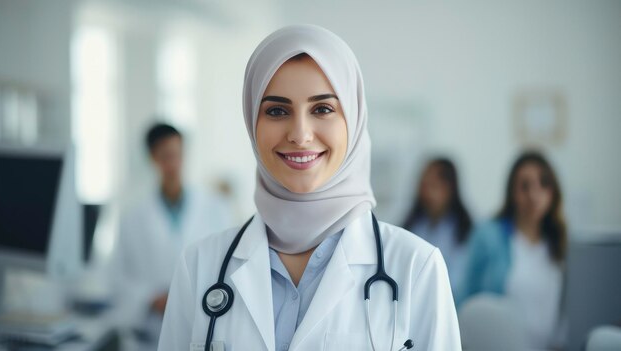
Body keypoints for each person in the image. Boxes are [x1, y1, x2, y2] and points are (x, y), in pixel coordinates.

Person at [158, 25, 460, 351]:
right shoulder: (200, 266)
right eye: (276, 110)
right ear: (251, 122)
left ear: (354, 120)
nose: (300, 134)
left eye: (323, 109)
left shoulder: (417, 266)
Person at [111, 123, 233, 349]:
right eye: (165, 156)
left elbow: (229, 267)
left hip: (202, 327)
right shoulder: (132, 216)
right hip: (150, 334)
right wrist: (150, 299)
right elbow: (117, 277)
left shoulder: (215, 208)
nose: (173, 164)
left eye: (177, 155)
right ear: (152, 158)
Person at [458, 151, 567, 350]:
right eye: (525, 186)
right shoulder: (488, 237)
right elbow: (467, 299)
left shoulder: (561, 243)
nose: (534, 195)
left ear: (553, 191)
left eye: (543, 183)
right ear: (512, 192)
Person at [401, 158, 472, 296]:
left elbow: (458, 281)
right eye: (424, 185)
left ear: (450, 189)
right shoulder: (411, 226)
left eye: (434, 186)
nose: (427, 193)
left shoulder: (465, 230)